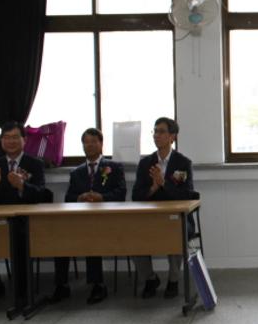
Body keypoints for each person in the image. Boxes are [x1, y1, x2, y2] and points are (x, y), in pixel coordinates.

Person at [50, 128, 127, 305]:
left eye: (93, 141)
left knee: (92, 235)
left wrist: (102, 197)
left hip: (106, 220)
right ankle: (61, 285)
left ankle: (97, 285)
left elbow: (121, 193)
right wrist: (80, 197)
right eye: (86, 142)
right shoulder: (76, 172)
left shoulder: (114, 167)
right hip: (81, 220)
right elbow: (69, 197)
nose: (89, 145)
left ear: (101, 144)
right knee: (59, 237)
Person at [0, 121, 46, 304]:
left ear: (24, 140)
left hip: (26, 220)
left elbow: (42, 194)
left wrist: (22, 186)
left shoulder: (35, 164)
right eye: (6, 138)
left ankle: (23, 293)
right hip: (1, 220)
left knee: (19, 238)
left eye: (15, 137)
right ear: (1, 141)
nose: (11, 141)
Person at [132, 117, 194, 299]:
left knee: (177, 230)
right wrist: (153, 187)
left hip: (176, 217)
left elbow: (185, 195)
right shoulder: (146, 163)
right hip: (150, 218)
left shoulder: (183, 163)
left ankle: (173, 279)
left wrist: (164, 183)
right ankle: (150, 278)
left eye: (161, 132)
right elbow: (136, 195)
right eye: (155, 131)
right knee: (132, 234)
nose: (156, 135)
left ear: (172, 137)